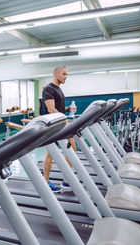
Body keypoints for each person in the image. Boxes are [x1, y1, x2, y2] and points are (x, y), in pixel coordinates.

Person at [42, 65, 77, 193]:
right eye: (63, 74)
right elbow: (51, 109)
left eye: (67, 74)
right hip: (53, 125)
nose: (66, 77)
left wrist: (68, 109)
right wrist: (65, 121)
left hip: (59, 124)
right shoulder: (48, 89)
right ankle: (47, 181)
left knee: (68, 149)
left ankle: (66, 180)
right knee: (52, 153)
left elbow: (57, 107)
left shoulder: (57, 89)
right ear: (56, 74)